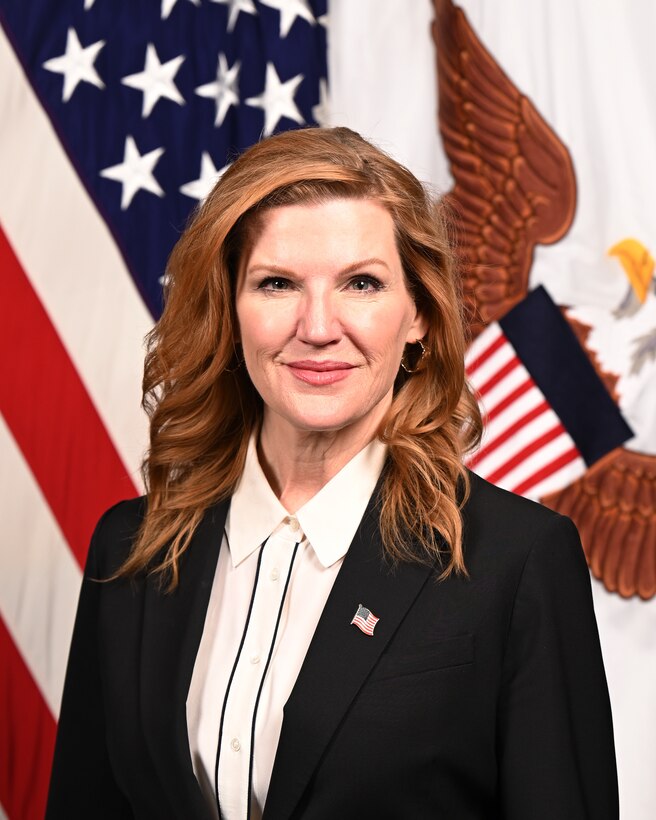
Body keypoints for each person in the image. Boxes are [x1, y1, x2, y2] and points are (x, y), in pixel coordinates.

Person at [46, 126, 618, 819]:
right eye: (277, 283)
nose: (318, 327)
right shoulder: (130, 547)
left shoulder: (517, 561)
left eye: (362, 283)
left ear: (419, 315)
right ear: (228, 307)